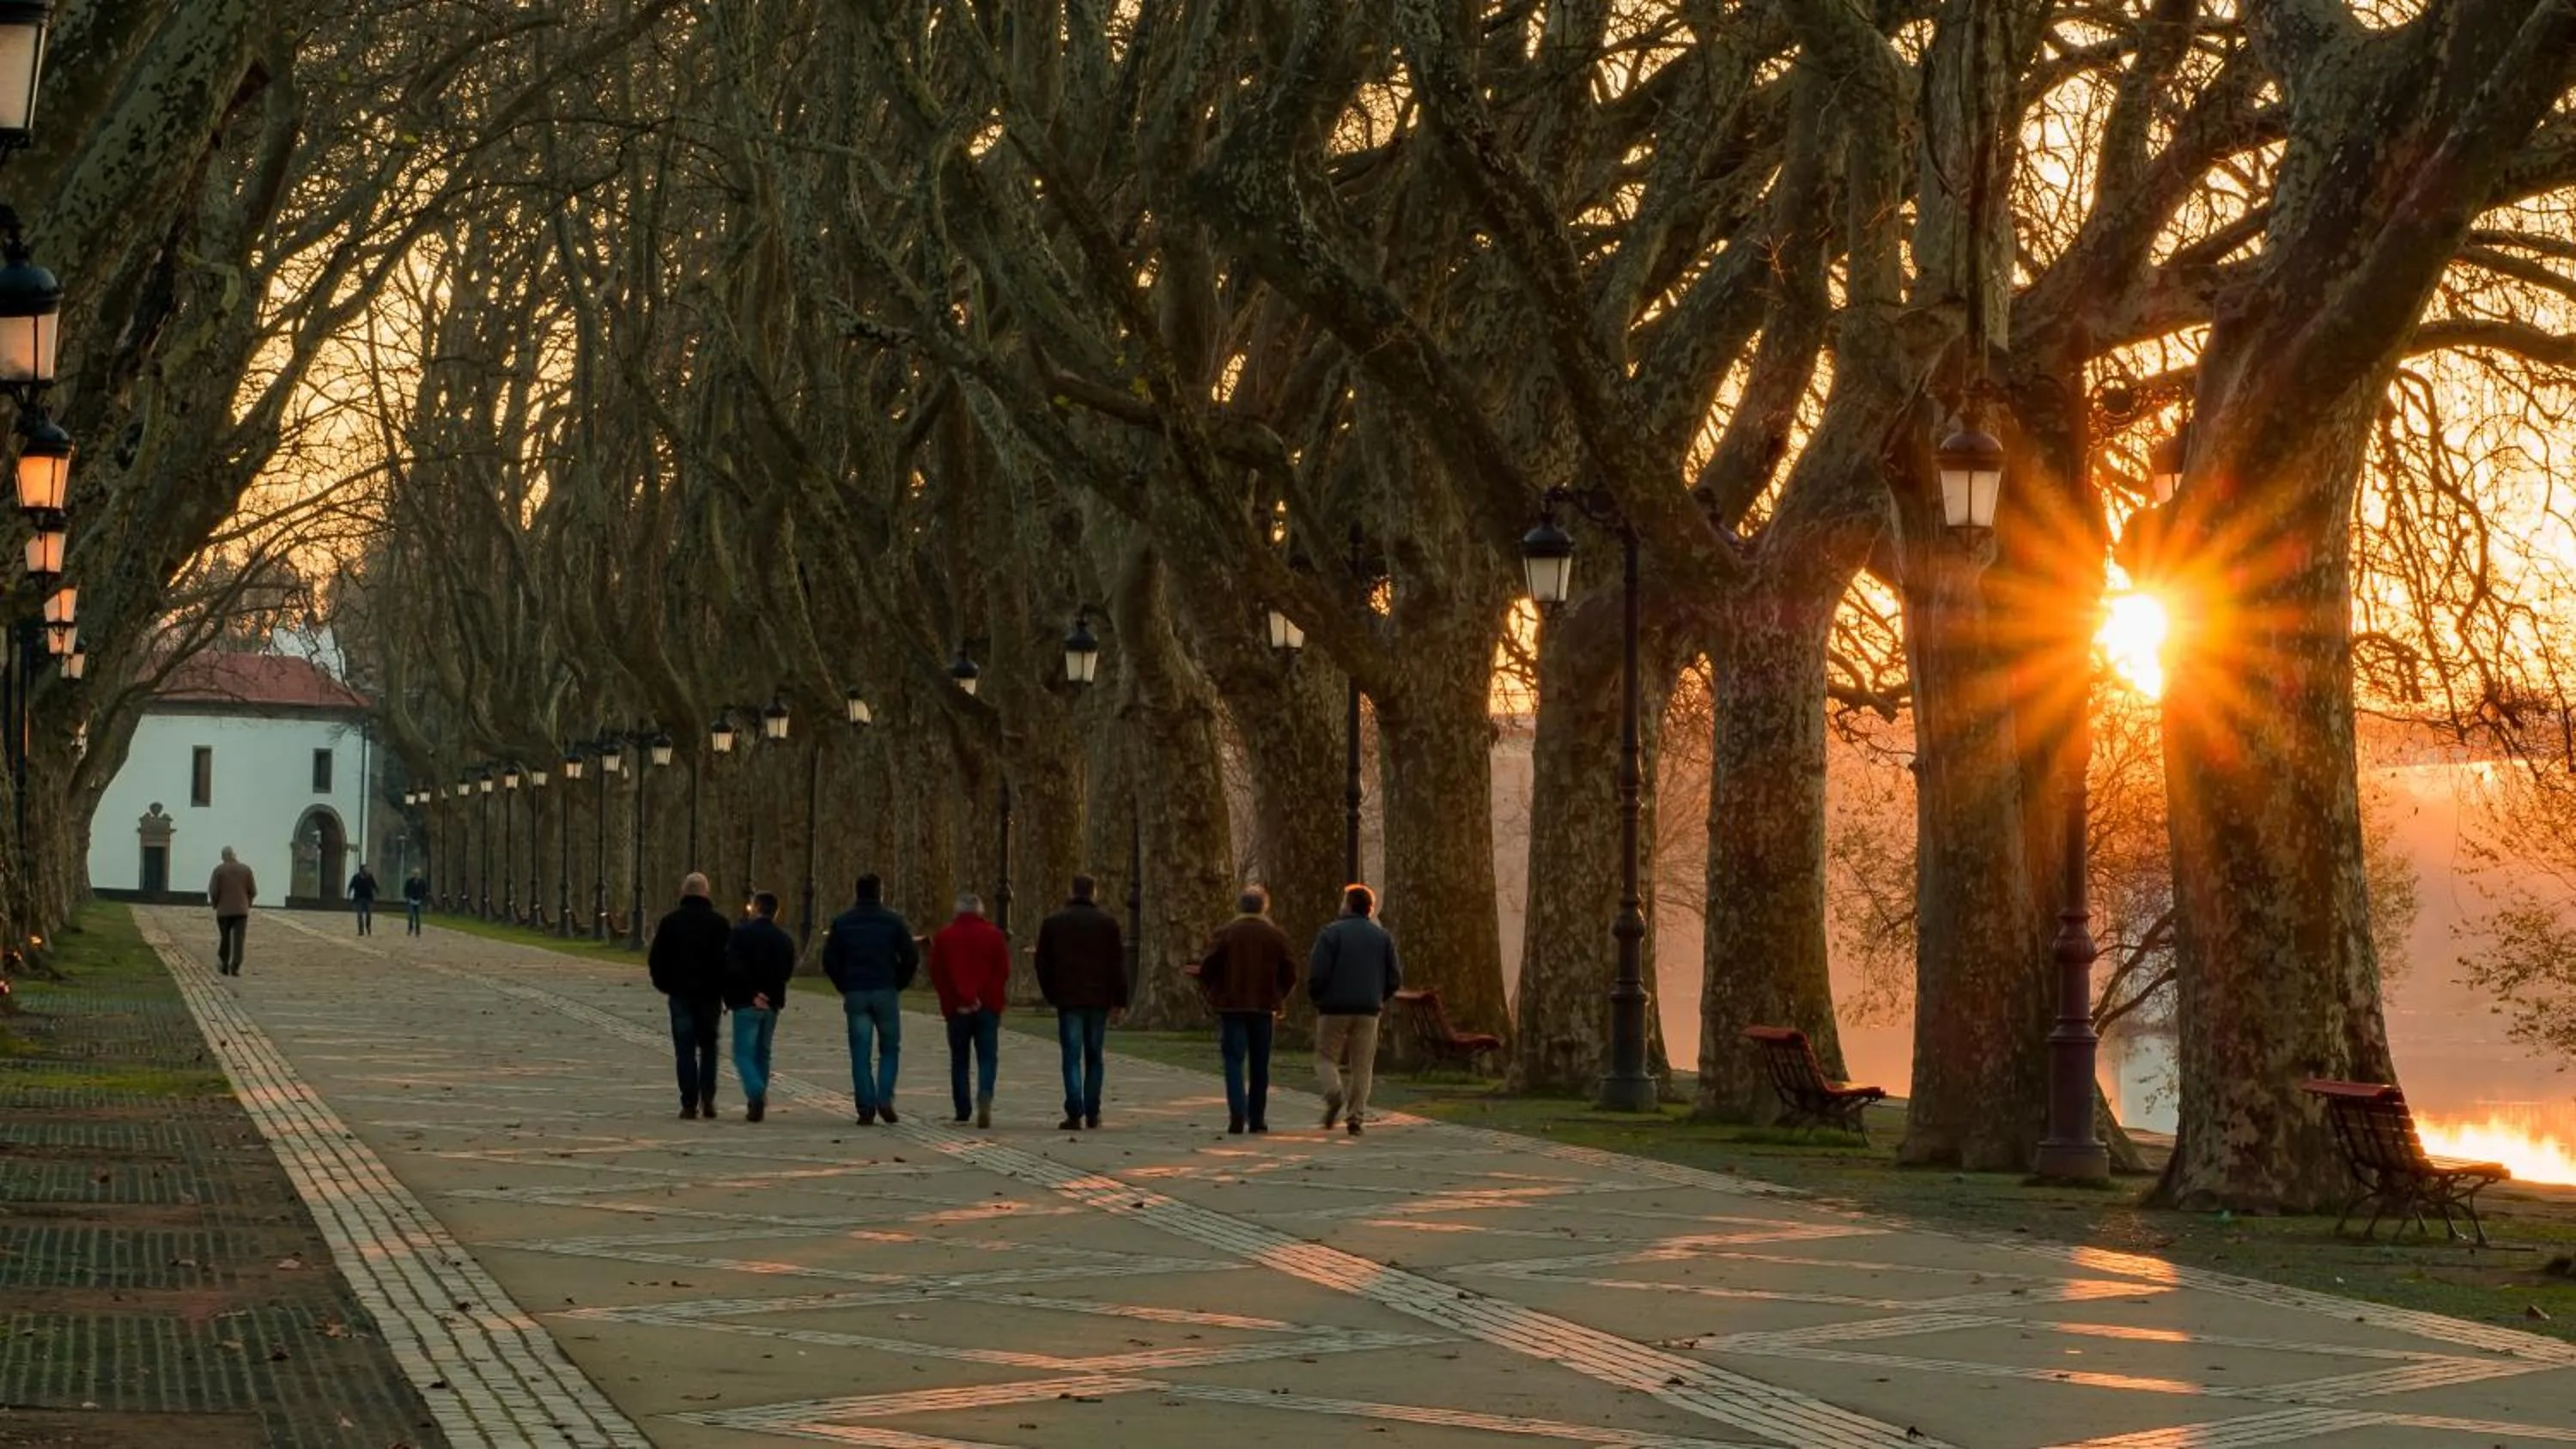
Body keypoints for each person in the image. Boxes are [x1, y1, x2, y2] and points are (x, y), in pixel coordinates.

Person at [1190, 885, 1297, 1134]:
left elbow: (1207, 968)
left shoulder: (1226, 933)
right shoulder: (1275, 935)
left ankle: (1237, 1113)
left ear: (1240, 906)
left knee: (1233, 1061)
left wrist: (1214, 992)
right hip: (1264, 1006)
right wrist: (1279, 995)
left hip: (1232, 1006)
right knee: (1260, 1064)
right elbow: (1290, 972)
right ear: (1264, 907)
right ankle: (1257, 1118)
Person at [823, 873, 919, 1125]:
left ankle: (866, 1106)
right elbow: (910, 957)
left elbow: (830, 960)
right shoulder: (893, 922)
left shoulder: (843, 922)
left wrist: (843, 984)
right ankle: (884, 1096)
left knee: (860, 1052)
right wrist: (898, 983)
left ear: (857, 893)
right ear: (880, 893)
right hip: (885, 988)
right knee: (889, 1048)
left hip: (855, 990)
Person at [1309, 883, 1402, 1136]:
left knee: (1326, 1057)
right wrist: (1378, 997)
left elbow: (1318, 973)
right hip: (1368, 1009)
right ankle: (1355, 1118)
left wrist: (1319, 997)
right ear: (1370, 908)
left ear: (1349, 905)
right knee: (1362, 1066)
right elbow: (1395, 978)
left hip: (1333, 1007)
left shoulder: (1331, 933)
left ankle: (1334, 1092)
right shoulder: (1383, 937)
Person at [1035, 874, 1126, 1131]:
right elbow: (1118, 965)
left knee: (1071, 1056)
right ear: (1094, 893)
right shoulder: (1108, 924)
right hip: (1098, 998)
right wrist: (1118, 1000)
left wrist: (1051, 993)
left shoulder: (1053, 923)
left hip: (1068, 998)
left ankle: (1074, 1110)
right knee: (1095, 1056)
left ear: (1071, 891)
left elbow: (1042, 964)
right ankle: (1093, 1111)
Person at [647, 872, 732, 1120]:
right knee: (708, 1048)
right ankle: (708, 1097)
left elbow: (657, 959)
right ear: (706, 893)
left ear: (683, 893)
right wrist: (726, 992)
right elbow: (729, 962)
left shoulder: (670, 922)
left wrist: (665, 985)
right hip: (710, 995)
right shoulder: (720, 923)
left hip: (680, 992)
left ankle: (688, 1102)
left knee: (684, 1049)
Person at [929, 892, 1012, 1128]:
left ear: (957, 911)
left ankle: (962, 1109)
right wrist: (983, 997)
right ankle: (985, 1093)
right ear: (980, 911)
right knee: (987, 1056)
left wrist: (957, 999)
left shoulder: (945, 937)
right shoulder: (994, 936)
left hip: (957, 1008)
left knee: (959, 1058)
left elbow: (938, 974)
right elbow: (1002, 971)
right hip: (987, 1006)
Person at [725, 891, 796, 1123]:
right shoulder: (784, 939)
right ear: (776, 912)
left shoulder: (740, 934)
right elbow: (786, 972)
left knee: (742, 1053)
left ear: (755, 908)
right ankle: (756, 1103)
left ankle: (756, 1092)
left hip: (747, 1001)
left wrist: (752, 993)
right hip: (772, 1003)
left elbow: (733, 966)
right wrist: (768, 995)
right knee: (762, 1053)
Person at [207, 846, 257, 976]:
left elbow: (214, 891)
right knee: (239, 940)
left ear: (223, 857)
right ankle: (235, 965)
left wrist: (215, 903)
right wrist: (248, 903)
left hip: (224, 911)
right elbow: (253, 890)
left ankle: (224, 964)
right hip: (241, 911)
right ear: (234, 855)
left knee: (225, 937)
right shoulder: (246, 869)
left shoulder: (219, 870)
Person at [347, 863, 380, 937]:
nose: (367, 870)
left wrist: (377, 892)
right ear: (362, 870)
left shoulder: (370, 877)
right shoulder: (356, 877)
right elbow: (351, 885)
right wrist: (349, 893)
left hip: (368, 898)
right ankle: (361, 930)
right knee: (360, 915)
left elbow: (374, 886)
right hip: (359, 898)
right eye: (366, 869)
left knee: (369, 914)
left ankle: (368, 927)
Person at [403, 870, 427, 936]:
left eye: (417, 874)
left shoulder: (422, 882)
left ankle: (418, 930)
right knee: (410, 916)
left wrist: (423, 899)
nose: (416, 875)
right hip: (411, 900)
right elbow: (406, 889)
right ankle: (410, 929)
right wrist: (407, 897)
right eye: (415, 874)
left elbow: (424, 891)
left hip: (419, 901)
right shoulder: (409, 881)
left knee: (418, 917)